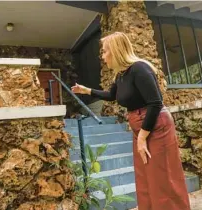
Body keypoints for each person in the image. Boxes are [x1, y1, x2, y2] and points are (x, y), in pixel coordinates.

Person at [71, 32, 190, 210]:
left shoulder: (139, 69)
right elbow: (111, 95)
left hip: (156, 126)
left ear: (116, 51)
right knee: (145, 179)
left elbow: (155, 102)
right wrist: (86, 90)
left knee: (162, 179)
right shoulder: (121, 76)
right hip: (140, 127)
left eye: (104, 52)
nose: (103, 57)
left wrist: (142, 137)